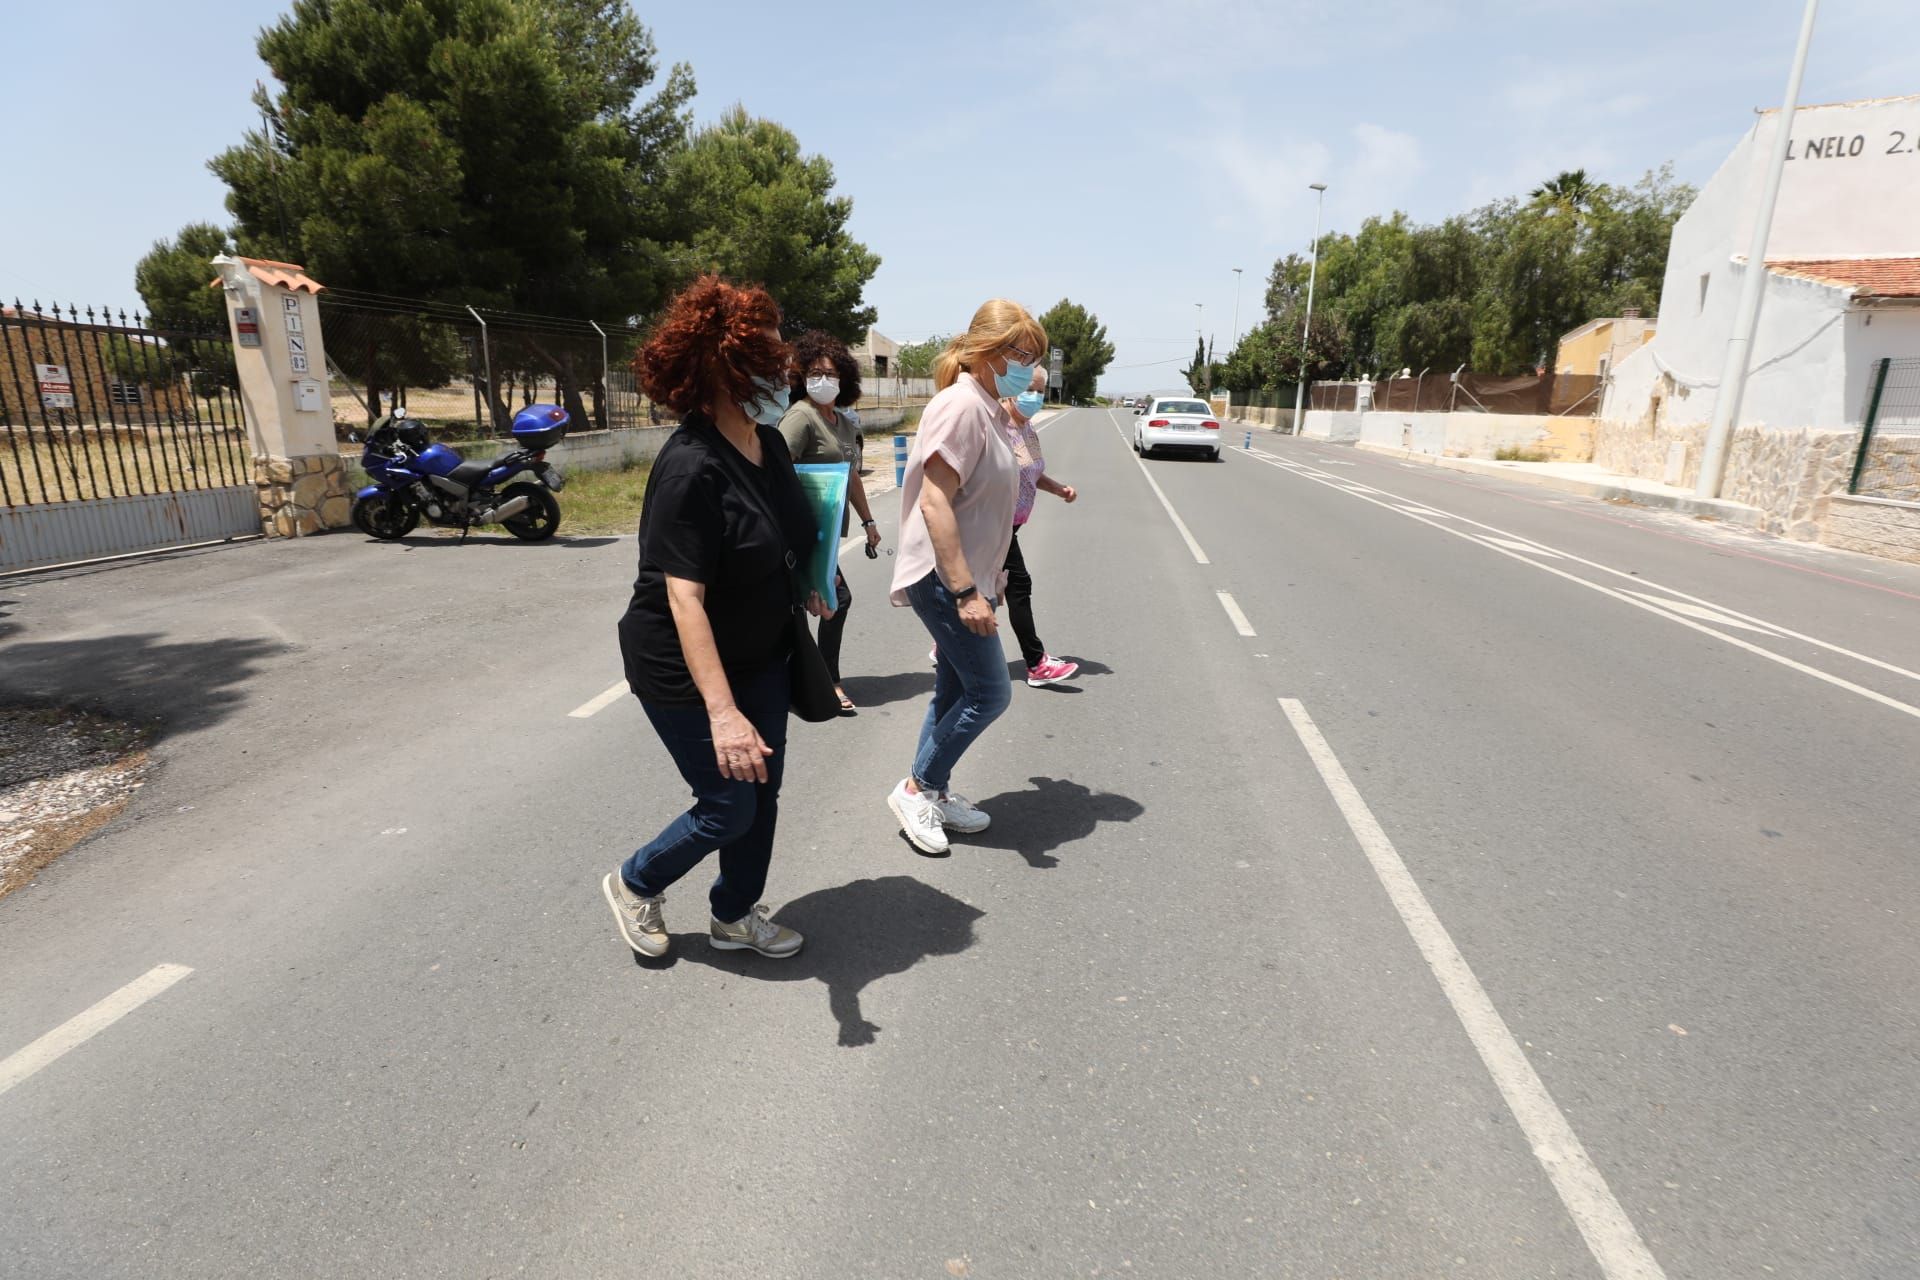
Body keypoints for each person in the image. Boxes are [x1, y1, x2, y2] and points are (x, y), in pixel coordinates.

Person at [603, 276, 828, 961]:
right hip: (680, 664)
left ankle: (734, 915)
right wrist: (723, 714)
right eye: (768, 353)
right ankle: (636, 881)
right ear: (727, 367)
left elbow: (788, 532)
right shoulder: (691, 469)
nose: (783, 364)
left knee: (763, 796)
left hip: (761, 651)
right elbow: (683, 599)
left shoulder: (771, 444)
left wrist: (818, 577)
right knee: (728, 804)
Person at [886, 299, 1047, 856]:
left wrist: (993, 576)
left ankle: (934, 787)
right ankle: (916, 788)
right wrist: (964, 590)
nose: (1027, 366)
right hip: (945, 576)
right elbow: (935, 502)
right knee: (991, 692)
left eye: (1034, 356)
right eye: (1020, 354)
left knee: (954, 690)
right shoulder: (960, 406)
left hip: (975, 575)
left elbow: (988, 505)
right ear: (986, 352)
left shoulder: (992, 409)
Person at [779, 331, 882, 714]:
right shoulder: (799, 417)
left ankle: (804, 678)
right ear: (802, 376)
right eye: (815, 372)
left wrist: (868, 520)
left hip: (827, 534)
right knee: (832, 599)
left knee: (815, 602)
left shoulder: (842, 422)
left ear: (844, 379)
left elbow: (851, 474)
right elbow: (779, 471)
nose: (823, 379)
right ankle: (826, 680)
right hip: (801, 532)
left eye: (831, 372)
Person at [1000, 367, 1080, 687]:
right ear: (1011, 388)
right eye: (1028, 389)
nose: (1034, 397)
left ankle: (947, 646)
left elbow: (1031, 473)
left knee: (986, 590)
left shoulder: (1028, 427)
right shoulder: (996, 427)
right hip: (994, 524)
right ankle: (1036, 663)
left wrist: (1059, 489)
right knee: (1019, 586)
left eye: (1040, 391)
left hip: (1012, 525)